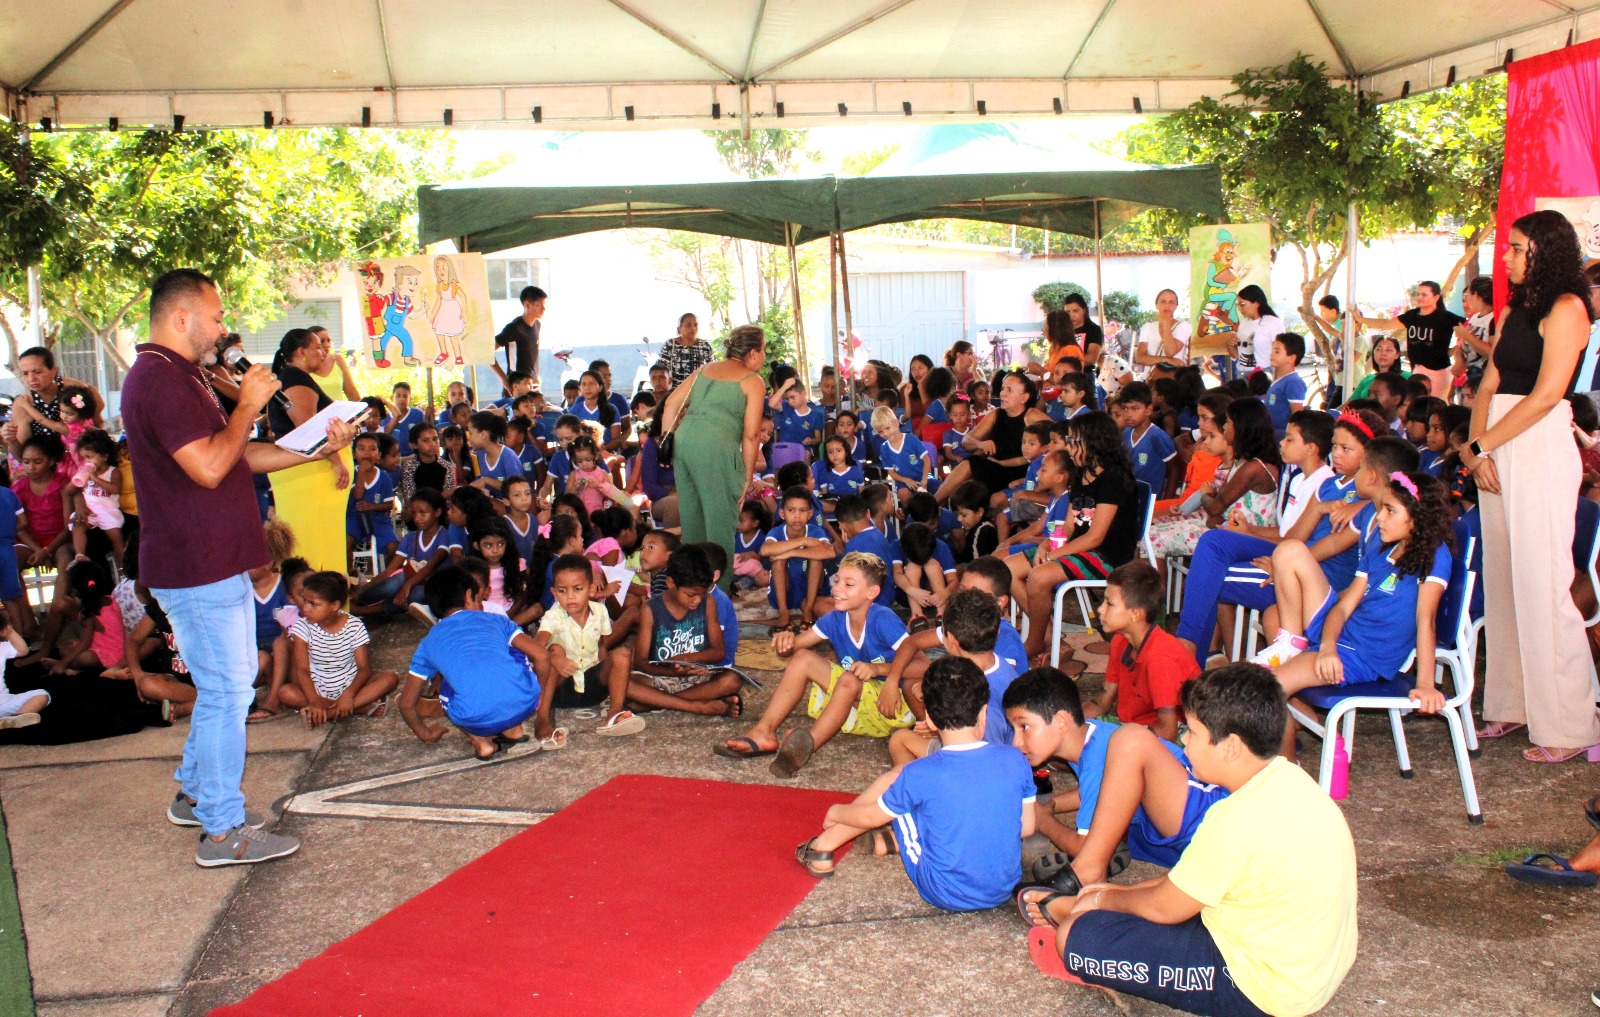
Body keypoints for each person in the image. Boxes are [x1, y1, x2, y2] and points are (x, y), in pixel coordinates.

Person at [124, 269, 355, 866]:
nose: (224, 328)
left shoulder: (183, 375)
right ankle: (222, 831)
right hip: (195, 563)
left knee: (225, 685)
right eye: (217, 316)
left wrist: (316, 447)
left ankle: (196, 793)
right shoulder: (159, 378)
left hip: (211, 559)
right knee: (227, 691)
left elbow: (236, 456)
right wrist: (247, 404)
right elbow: (208, 466)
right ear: (182, 318)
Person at [1020, 664, 1358, 1017]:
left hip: (1262, 987)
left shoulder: (1234, 819)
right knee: (1128, 904)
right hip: (1307, 968)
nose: (1183, 741)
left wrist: (1101, 899)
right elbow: (1187, 886)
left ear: (1231, 747)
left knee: (1075, 938)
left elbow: (1164, 908)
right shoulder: (1288, 778)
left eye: (1193, 733)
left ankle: (1076, 912)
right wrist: (1113, 893)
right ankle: (1082, 903)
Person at [1466, 209, 1600, 763]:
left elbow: (1547, 396)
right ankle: (1514, 703)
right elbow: (1488, 383)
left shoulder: (1569, 308)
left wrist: (1483, 445)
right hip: (1496, 442)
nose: (1507, 257)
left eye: (1517, 248)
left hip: (1538, 443)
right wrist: (1475, 448)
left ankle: (1570, 723)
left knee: (1544, 585)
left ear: (1545, 251)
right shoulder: (1514, 309)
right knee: (1503, 580)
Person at [794, 656, 1037, 911]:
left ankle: (822, 846)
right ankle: (831, 846)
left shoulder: (919, 773)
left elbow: (870, 817)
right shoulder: (1015, 759)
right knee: (926, 793)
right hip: (1003, 887)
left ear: (929, 719)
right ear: (984, 712)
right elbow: (1026, 827)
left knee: (900, 780)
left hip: (943, 890)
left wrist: (836, 811)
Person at [1256, 471, 1453, 761]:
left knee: (1267, 689)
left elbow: (1427, 620)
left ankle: (1286, 768)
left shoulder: (1435, 556)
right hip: (1341, 638)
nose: (1380, 517)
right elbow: (1343, 608)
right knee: (1286, 561)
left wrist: (1425, 683)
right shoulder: (1381, 547)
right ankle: (1296, 668)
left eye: (1390, 510)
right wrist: (1327, 646)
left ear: (1417, 517)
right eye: (1381, 508)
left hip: (1362, 655)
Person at [1005, 666, 1226, 897]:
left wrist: (1044, 821)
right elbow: (1102, 792)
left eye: (1024, 727)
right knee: (1116, 825)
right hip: (1175, 823)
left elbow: (1085, 848)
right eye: (1014, 729)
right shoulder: (1092, 736)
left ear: (1061, 722)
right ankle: (1113, 852)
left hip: (1204, 815)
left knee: (1096, 845)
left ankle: (1089, 872)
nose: (1016, 742)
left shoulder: (1096, 754)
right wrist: (1050, 805)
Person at [717, 551, 911, 774]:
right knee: (803, 658)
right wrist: (785, 642)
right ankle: (764, 732)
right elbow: (793, 649)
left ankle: (804, 747)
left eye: (848, 584)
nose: (836, 589)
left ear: (872, 592)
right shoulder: (835, 618)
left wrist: (882, 672)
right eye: (837, 581)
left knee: (849, 679)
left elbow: (923, 665)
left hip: (892, 706)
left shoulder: (883, 619)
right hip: (860, 703)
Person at [659, 324, 768, 592]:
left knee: (692, 521)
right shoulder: (752, 381)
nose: (764, 356)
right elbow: (751, 435)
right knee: (720, 523)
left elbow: (671, 404)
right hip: (715, 447)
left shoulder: (705, 369)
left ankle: (691, 588)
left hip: (684, 443)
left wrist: (665, 443)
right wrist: (746, 477)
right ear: (753, 353)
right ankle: (719, 592)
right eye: (764, 350)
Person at [399, 565, 543, 758]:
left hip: (475, 718)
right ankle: (513, 729)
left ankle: (480, 741)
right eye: (480, 599)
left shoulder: (429, 642)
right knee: (512, 654)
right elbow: (542, 656)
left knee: (452, 678)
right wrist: (540, 697)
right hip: (525, 704)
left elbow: (406, 703)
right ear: (469, 596)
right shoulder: (497, 620)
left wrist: (425, 734)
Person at [1080, 562, 1199, 744]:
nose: (1100, 609)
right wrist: (1070, 721)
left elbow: (1168, 732)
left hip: (1181, 739)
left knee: (1092, 745)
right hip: (1136, 727)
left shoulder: (1160, 658)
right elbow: (1102, 701)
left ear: (1135, 614)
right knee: (1073, 736)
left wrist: (1120, 738)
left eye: (1109, 603)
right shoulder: (1120, 641)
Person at [278, 572, 398, 727]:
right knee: (285, 693)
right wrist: (314, 700)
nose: (306, 609)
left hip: (351, 684)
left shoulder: (354, 626)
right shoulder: (302, 627)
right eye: (305, 601)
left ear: (334, 606)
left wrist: (348, 694)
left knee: (390, 678)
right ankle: (359, 707)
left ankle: (330, 713)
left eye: (313, 604)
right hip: (317, 688)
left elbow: (363, 669)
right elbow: (303, 670)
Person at [934, 372, 1052, 504]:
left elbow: (1057, 438)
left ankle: (934, 503)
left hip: (1021, 472)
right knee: (972, 462)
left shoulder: (1032, 416)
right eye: (1002, 388)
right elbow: (966, 440)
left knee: (972, 464)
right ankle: (935, 502)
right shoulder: (996, 413)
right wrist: (980, 444)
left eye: (1009, 390)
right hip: (995, 468)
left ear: (1024, 397)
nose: (1003, 393)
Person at [1351, 281, 1464, 399]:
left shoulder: (1446, 317)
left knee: (1434, 404)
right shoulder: (1412, 315)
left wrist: (1457, 351)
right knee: (1414, 403)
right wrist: (1359, 318)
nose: (1420, 297)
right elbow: (1386, 323)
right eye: (1418, 294)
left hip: (1439, 372)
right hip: (1416, 370)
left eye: (1424, 294)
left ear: (1436, 297)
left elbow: (1468, 329)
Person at [1, 346, 104, 460]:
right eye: (25, 373)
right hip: (45, 467)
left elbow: (98, 421)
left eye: (37, 372)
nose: (31, 379)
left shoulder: (77, 391)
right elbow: (21, 456)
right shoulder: (23, 403)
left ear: (53, 371)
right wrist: (11, 440)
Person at [1214, 284, 1281, 374]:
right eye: (1238, 305)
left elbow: (1281, 353)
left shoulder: (1272, 322)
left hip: (1264, 374)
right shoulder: (1243, 323)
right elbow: (1236, 356)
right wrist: (1230, 345)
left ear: (1256, 303)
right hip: (1242, 373)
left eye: (1242, 304)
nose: (1239, 309)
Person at [1132, 289, 1192, 379]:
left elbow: (1170, 352)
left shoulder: (1184, 326)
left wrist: (1166, 324)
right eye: (1163, 301)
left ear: (1176, 306)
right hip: (1150, 379)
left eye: (1171, 302)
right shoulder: (1147, 327)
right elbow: (1140, 358)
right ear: (1156, 305)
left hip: (1173, 380)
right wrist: (1165, 359)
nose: (1167, 305)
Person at [494, 285, 546, 387]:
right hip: (516, 386)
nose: (543, 309)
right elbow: (488, 352)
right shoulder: (514, 328)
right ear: (527, 305)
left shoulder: (537, 324)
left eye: (544, 304)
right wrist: (503, 377)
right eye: (539, 305)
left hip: (532, 384)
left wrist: (535, 375)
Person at [1263, 334, 1308, 437]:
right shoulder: (1279, 380)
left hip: (1281, 437)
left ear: (1292, 358)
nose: (1271, 354)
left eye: (1277, 351)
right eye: (1272, 350)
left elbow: (1297, 415)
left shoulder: (1293, 382)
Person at [661, 311, 715, 384]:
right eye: (688, 325)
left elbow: (713, 370)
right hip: (676, 390)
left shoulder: (705, 346)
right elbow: (661, 370)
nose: (693, 328)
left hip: (699, 389)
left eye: (696, 325)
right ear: (680, 328)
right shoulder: (670, 345)